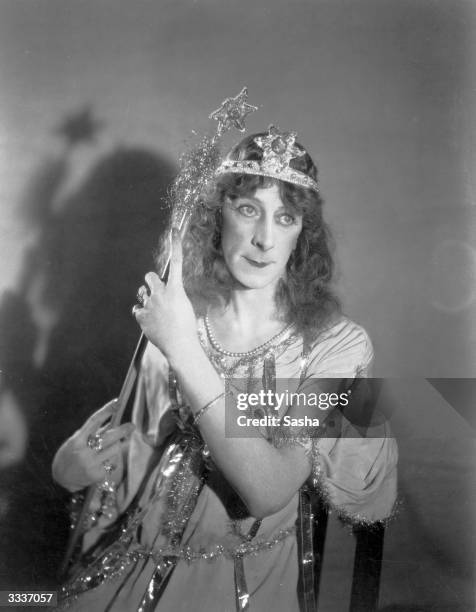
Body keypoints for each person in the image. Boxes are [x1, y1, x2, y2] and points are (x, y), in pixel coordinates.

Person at [52, 126, 398, 611]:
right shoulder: (179, 311)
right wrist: (71, 465)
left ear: (304, 232)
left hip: (242, 585)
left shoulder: (338, 345)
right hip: (133, 564)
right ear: (219, 217)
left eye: (286, 217)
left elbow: (268, 490)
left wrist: (180, 346)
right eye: (248, 209)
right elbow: (133, 451)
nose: (264, 239)